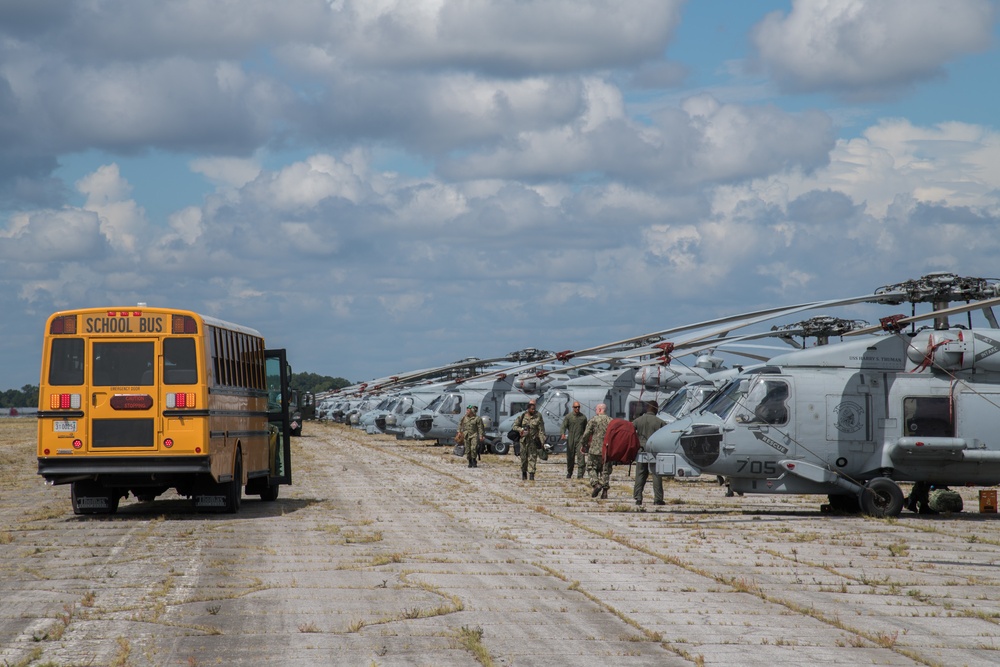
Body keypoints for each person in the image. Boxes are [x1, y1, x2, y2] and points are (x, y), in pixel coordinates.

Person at [632, 401, 666, 506]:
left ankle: (638, 497)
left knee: (640, 474)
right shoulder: (660, 422)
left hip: (641, 451)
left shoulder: (637, 421)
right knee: (656, 474)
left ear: (647, 408)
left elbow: (630, 432)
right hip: (654, 451)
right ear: (655, 409)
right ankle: (658, 499)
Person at [581, 403, 612, 498]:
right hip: (606, 450)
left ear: (599, 410)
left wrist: (583, 444)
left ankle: (595, 484)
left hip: (594, 449)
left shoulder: (593, 420)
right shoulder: (611, 421)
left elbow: (586, 434)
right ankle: (605, 492)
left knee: (591, 467)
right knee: (605, 470)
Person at [514, 399, 546, 480]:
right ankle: (524, 472)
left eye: (534, 407)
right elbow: (514, 426)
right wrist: (521, 430)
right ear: (528, 408)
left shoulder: (538, 416)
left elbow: (541, 430)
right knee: (523, 458)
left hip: (533, 441)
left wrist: (542, 441)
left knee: (532, 457)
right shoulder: (522, 416)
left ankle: (531, 474)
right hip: (523, 441)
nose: (533, 409)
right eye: (532, 407)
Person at [559, 401, 588, 479]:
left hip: (580, 439)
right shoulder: (568, 417)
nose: (577, 408)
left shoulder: (583, 417)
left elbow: (586, 429)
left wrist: (586, 439)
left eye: (578, 407)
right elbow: (563, 426)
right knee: (570, 457)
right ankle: (569, 472)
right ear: (573, 407)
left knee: (581, 457)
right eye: (575, 407)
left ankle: (580, 475)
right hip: (571, 438)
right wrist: (562, 433)